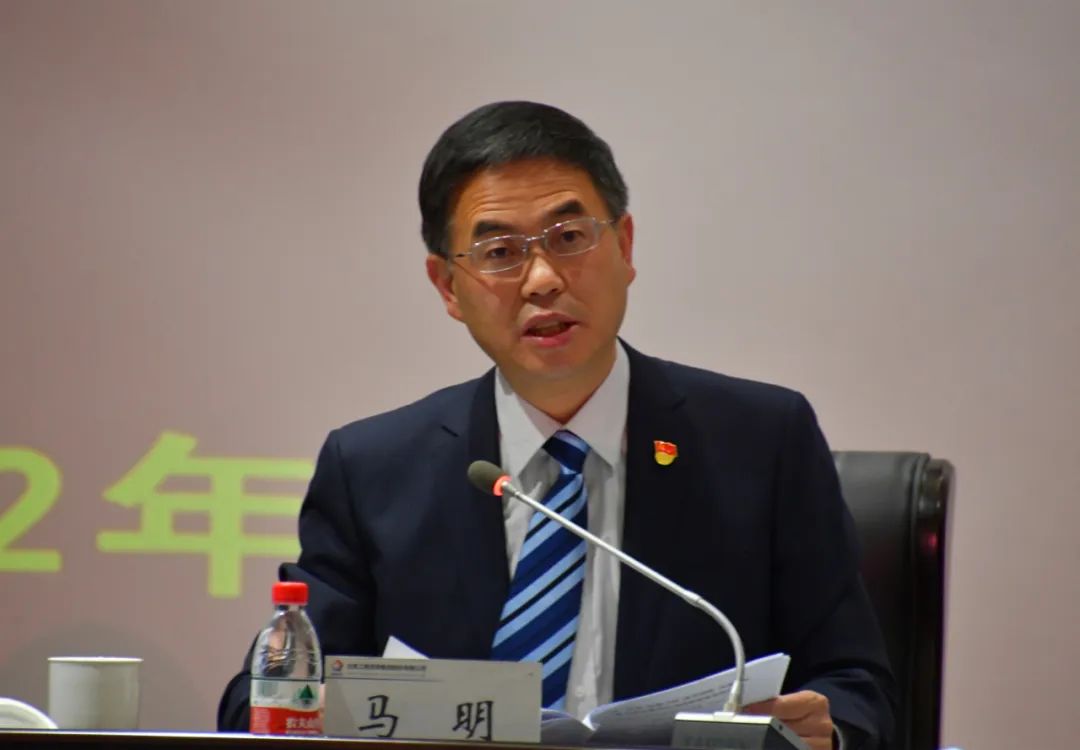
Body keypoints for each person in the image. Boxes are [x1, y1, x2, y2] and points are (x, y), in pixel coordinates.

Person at [218, 101, 896, 750]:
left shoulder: (762, 442)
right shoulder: (374, 470)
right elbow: (262, 701)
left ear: (624, 245)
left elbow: (856, 685)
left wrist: (826, 728)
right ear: (448, 287)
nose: (542, 279)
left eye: (569, 239)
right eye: (499, 252)